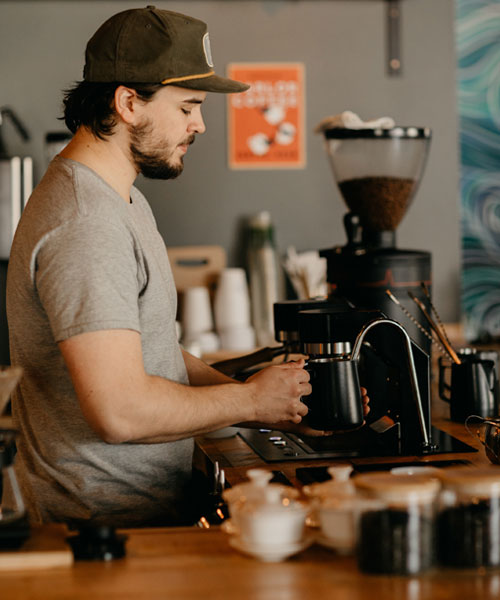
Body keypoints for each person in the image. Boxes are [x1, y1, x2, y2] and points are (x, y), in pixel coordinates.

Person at [6, 6, 369, 528]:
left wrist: (274, 398)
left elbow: (145, 348)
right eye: (188, 107)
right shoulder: (86, 223)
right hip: (103, 535)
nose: (199, 123)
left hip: (137, 519)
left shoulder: (119, 199)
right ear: (129, 102)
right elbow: (120, 410)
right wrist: (249, 401)